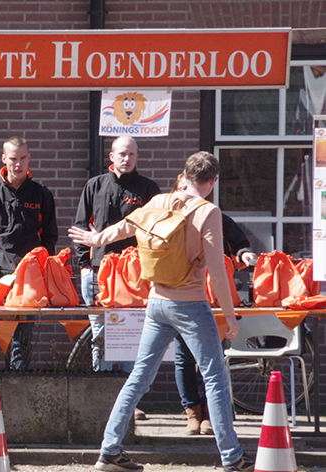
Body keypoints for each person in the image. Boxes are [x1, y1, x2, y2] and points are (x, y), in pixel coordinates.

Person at [69, 151, 255, 472]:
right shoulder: (208, 212)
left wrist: (97, 238)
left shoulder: (158, 201)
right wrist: (230, 316)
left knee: (139, 377)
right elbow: (217, 271)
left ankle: (109, 451)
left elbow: (125, 227)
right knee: (214, 378)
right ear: (213, 181)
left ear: (184, 174)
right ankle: (232, 457)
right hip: (191, 305)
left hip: (156, 303)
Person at [74, 136, 160, 422]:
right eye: (122, 154)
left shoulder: (148, 189)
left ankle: (129, 401)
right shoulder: (94, 185)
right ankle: (103, 396)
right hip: (97, 272)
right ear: (111, 157)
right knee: (100, 334)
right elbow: (78, 227)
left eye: (132, 154)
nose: (127, 159)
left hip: (133, 275)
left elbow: (156, 231)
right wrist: (84, 264)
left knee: (129, 337)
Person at [170, 174, 258, 436]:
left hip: (214, 300)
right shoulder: (169, 217)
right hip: (180, 294)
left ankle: (210, 413)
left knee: (213, 358)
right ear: (177, 191)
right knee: (184, 358)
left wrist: (244, 254)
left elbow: (238, 243)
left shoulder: (214, 215)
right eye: (184, 189)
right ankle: (192, 414)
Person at [0, 136, 58, 371]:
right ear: (3, 159)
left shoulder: (41, 194)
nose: (18, 164)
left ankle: (18, 394)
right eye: (13, 159)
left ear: (29, 159)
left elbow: (50, 237)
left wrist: (41, 269)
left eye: (22, 158)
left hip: (30, 280)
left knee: (21, 343)